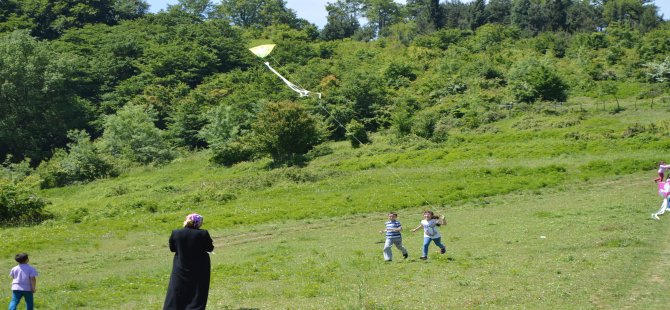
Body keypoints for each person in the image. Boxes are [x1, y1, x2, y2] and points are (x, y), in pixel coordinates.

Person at [164, 213, 214, 310]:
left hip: (180, 265)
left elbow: (172, 249)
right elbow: (210, 248)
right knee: (198, 289)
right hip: (200, 267)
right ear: (198, 223)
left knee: (177, 288)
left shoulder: (176, 233)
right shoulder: (203, 233)